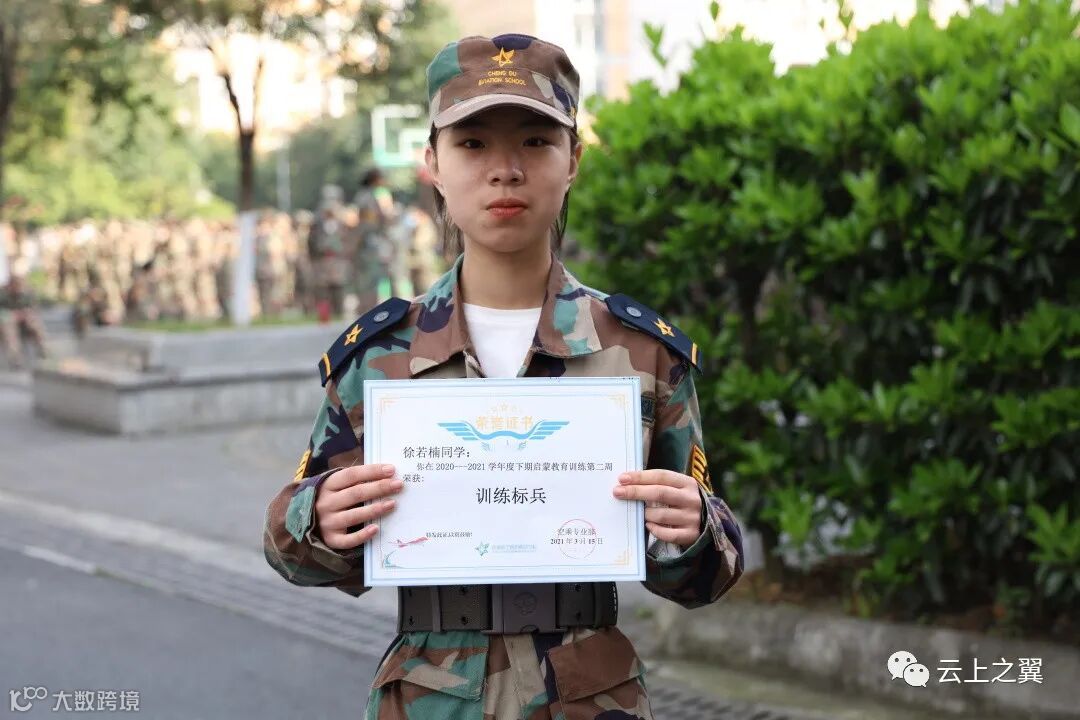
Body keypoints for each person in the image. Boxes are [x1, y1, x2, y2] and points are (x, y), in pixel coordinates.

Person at [263, 34, 743, 720]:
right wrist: (320, 519)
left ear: (573, 160)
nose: (506, 171)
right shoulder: (379, 356)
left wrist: (691, 528)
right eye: (473, 144)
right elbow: (291, 550)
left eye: (536, 142)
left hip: (590, 699)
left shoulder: (640, 352)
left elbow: (706, 575)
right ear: (433, 162)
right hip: (430, 699)